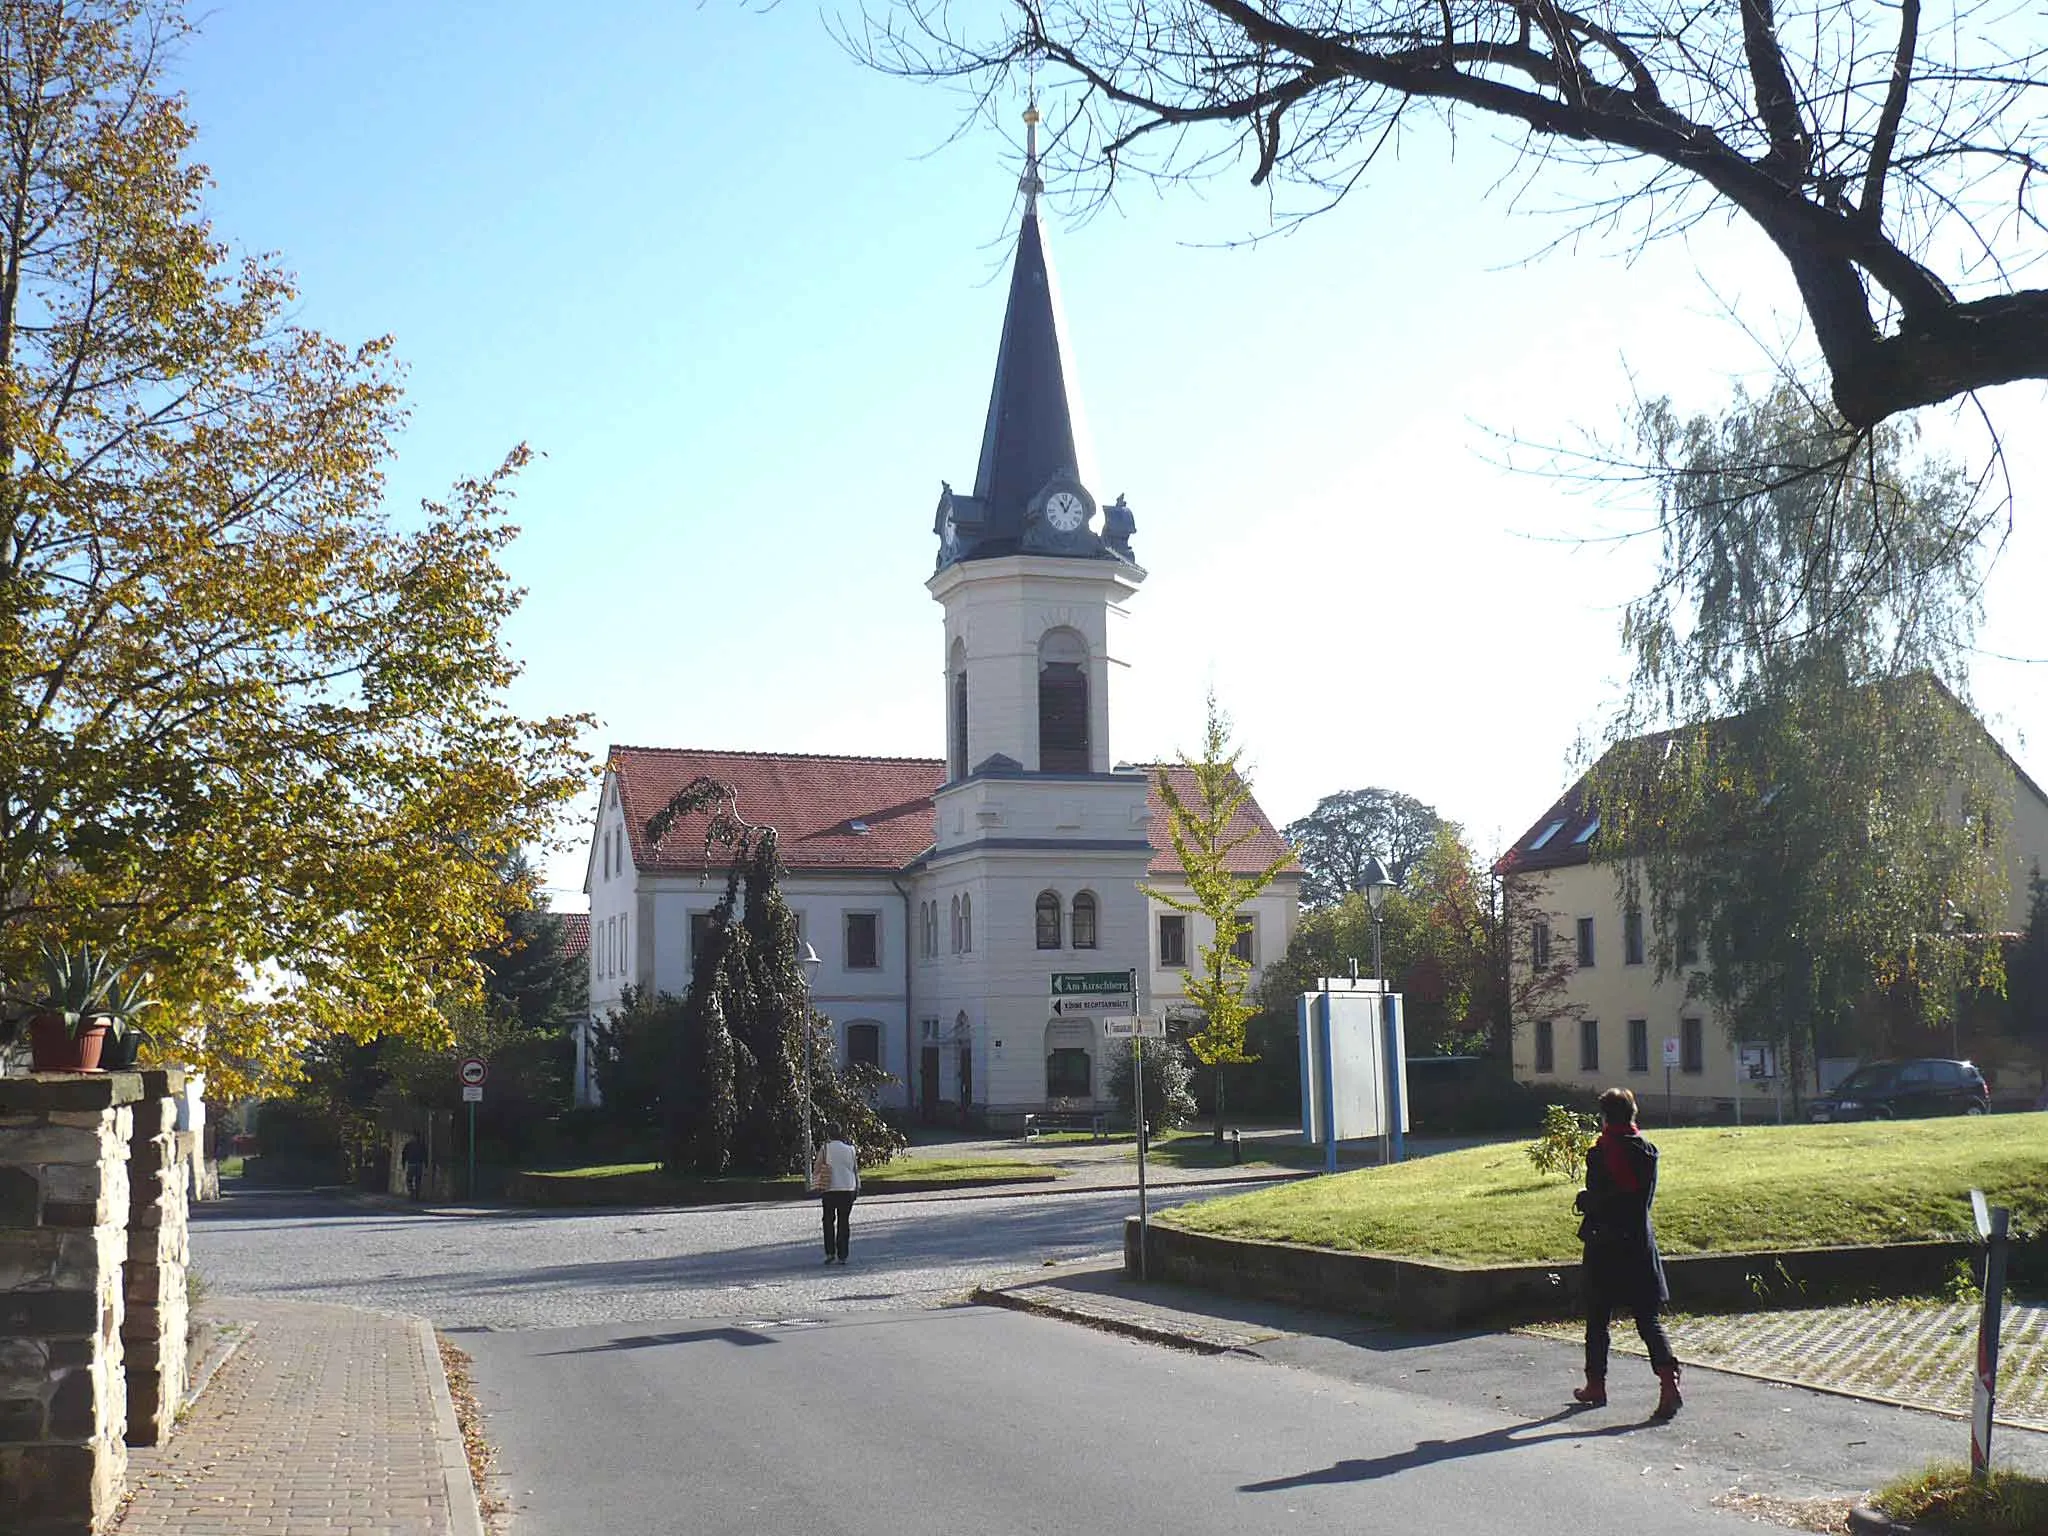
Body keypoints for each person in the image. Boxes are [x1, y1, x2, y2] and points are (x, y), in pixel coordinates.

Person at [1573, 1087, 1682, 1421]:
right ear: (1633, 1113)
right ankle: (1669, 1384)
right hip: (1638, 1243)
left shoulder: (1600, 1153)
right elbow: (1637, 1200)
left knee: (1597, 1318)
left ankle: (1596, 1384)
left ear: (1605, 1117)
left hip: (1606, 1246)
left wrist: (1584, 1199)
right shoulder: (1648, 1151)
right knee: (1647, 1320)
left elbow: (1602, 1198)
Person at [813, 1126, 860, 1265]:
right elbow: (855, 1169)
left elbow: (817, 1167)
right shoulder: (851, 1149)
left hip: (830, 1188)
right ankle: (843, 1255)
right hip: (848, 1187)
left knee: (828, 1221)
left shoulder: (826, 1148)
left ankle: (830, 1252)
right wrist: (857, 1186)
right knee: (843, 1222)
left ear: (828, 1135)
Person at [401, 1134, 426, 1200]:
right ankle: (416, 1194)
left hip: (412, 1164)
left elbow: (404, 1155)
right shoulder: (421, 1145)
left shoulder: (409, 1145)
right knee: (417, 1180)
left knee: (409, 1180)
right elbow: (424, 1155)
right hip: (418, 1164)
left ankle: (412, 1193)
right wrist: (425, 1164)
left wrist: (403, 1164)